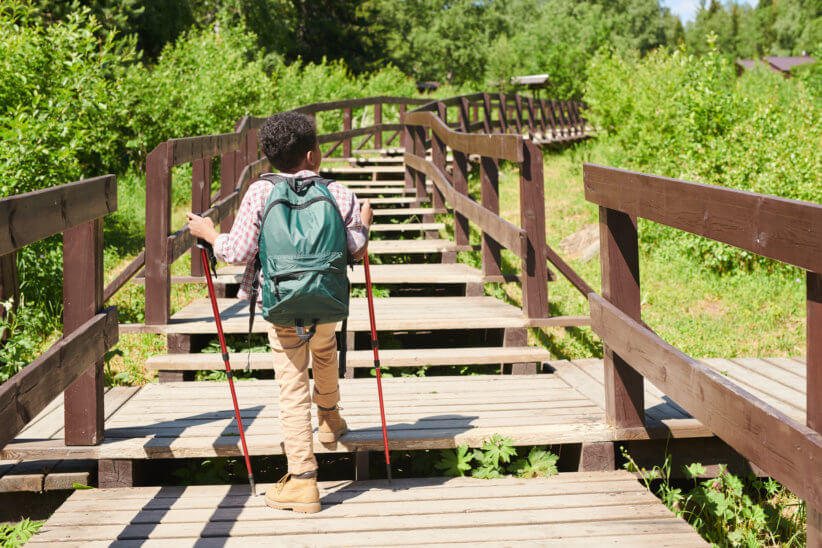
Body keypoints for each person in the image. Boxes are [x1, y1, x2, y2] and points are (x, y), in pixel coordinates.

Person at [187, 111, 372, 514]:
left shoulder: (258, 193)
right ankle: (330, 419)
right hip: (327, 302)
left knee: (291, 387)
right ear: (312, 154)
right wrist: (366, 224)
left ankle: (304, 480)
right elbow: (356, 248)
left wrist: (208, 234)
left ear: (270, 158)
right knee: (325, 351)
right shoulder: (339, 194)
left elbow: (236, 252)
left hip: (281, 305)